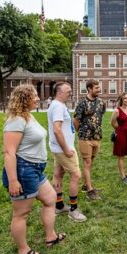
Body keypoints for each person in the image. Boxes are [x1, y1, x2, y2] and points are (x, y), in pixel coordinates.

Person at [2, 84, 65, 254]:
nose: (38, 98)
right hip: (23, 170)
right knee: (21, 213)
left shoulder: (28, 116)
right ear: (24, 99)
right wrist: (13, 180)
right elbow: (9, 152)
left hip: (35, 169)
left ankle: (51, 236)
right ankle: (23, 251)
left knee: (51, 198)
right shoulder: (16, 120)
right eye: (34, 96)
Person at [47, 82, 87, 222]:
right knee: (76, 175)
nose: (70, 91)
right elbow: (57, 129)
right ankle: (73, 210)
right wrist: (66, 149)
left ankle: (58, 206)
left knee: (58, 175)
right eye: (67, 90)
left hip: (58, 148)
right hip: (63, 149)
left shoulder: (57, 105)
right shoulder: (58, 106)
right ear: (58, 92)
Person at [73, 79, 106, 200]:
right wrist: (81, 133)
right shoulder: (82, 103)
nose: (99, 90)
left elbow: (100, 116)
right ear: (89, 89)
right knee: (87, 163)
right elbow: (76, 120)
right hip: (85, 138)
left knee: (90, 162)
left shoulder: (102, 103)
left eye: (99, 87)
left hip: (97, 138)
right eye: (96, 88)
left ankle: (86, 185)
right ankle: (90, 192)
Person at [110, 92, 127, 184]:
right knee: (121, 156)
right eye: (125, 98)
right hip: (121, 134)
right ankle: (122, 176)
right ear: (121, 100)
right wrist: (119, 130)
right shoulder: (117, 111)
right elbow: (112, 122)